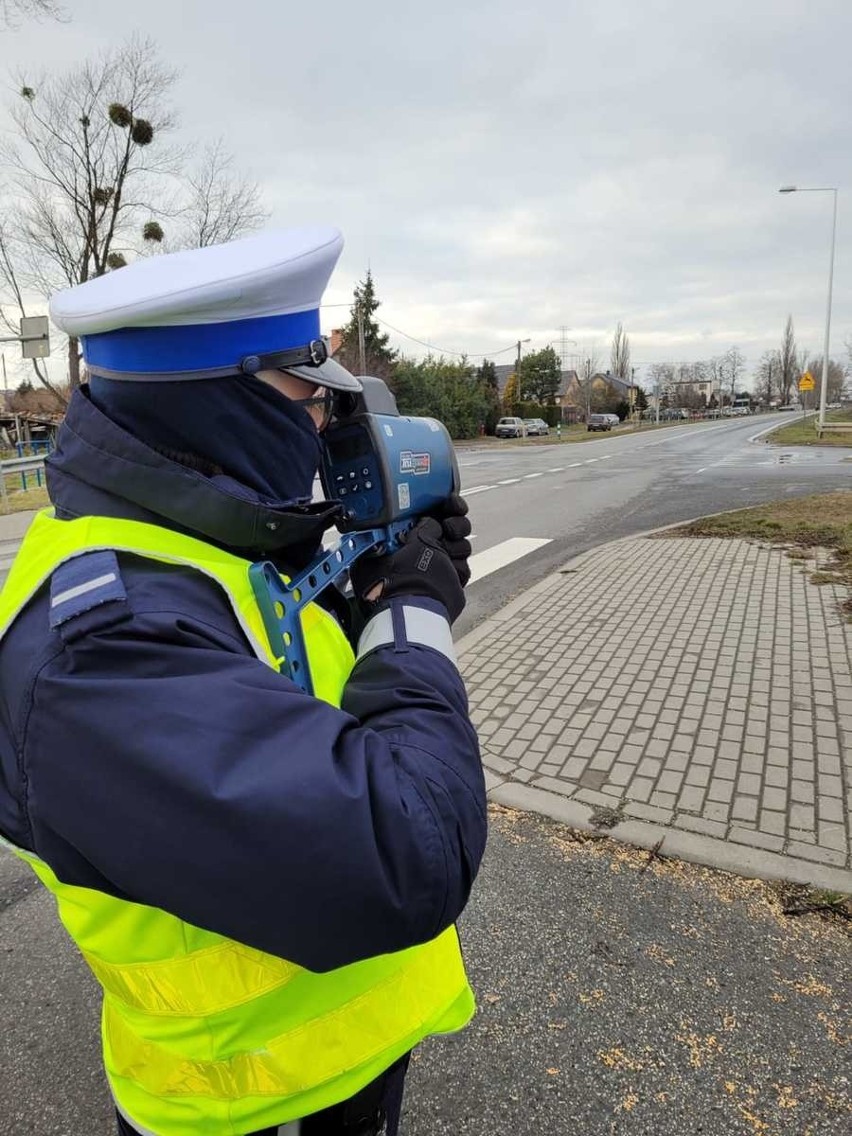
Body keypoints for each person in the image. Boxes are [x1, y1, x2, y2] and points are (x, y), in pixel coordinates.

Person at [0, 227, 487, 1136]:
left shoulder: (203, 546)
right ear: (215, 406)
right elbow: (408, 850)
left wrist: (356, 590)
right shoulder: (101, 652)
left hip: (339, 1061)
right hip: (237, 1102)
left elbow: (276, 704)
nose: (324, 423)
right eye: (307, 390)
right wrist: (410, 611)